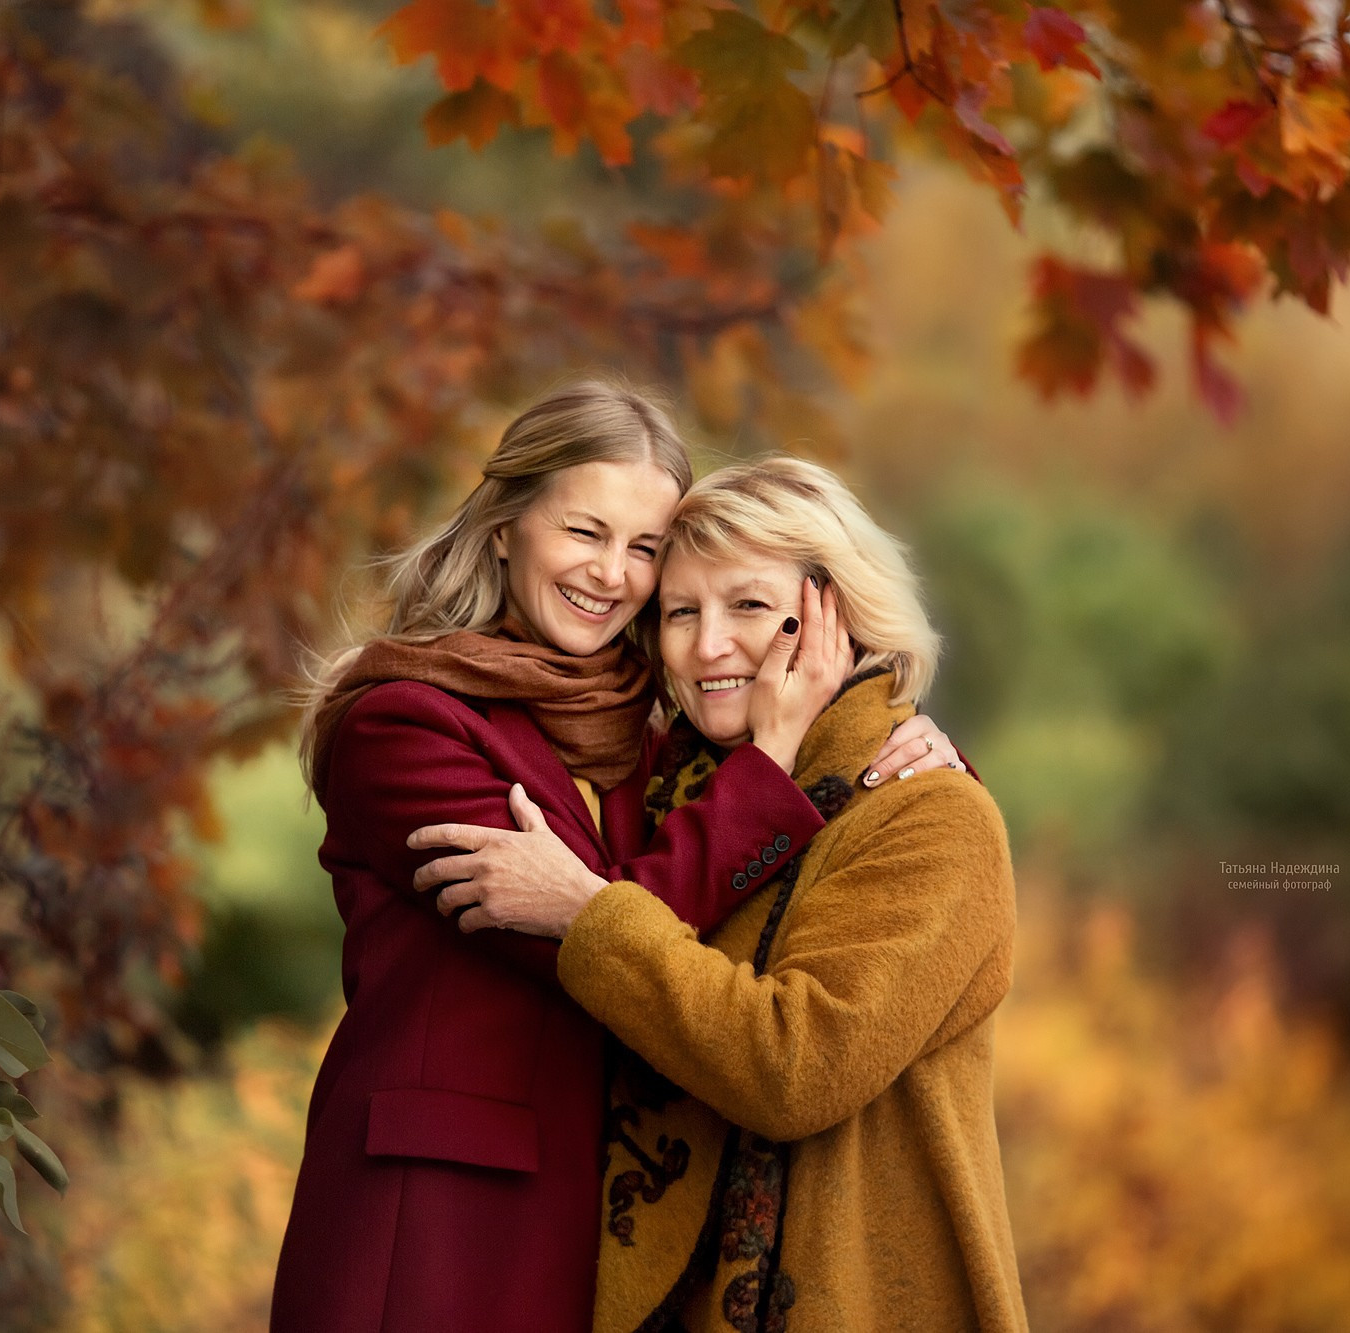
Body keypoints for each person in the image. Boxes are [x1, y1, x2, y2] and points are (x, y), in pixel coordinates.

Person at [272, 384, 962, 1333]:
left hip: (598, 1218)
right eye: (585, 531)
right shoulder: (405, 723)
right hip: (438, 1214)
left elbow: (648, 903)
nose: (612, 573)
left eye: (643, 548)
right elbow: (594, 930)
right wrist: (769, 766)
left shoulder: (642, 731)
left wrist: (914, 748)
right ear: (507, 524)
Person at [419, 456, 1028, 1332]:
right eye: (678, 613)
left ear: (839, 612)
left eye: (747, 606)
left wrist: (587, 910)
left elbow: (797, 1068)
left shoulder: (929, 816)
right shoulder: (673, 794)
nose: (707, 647)